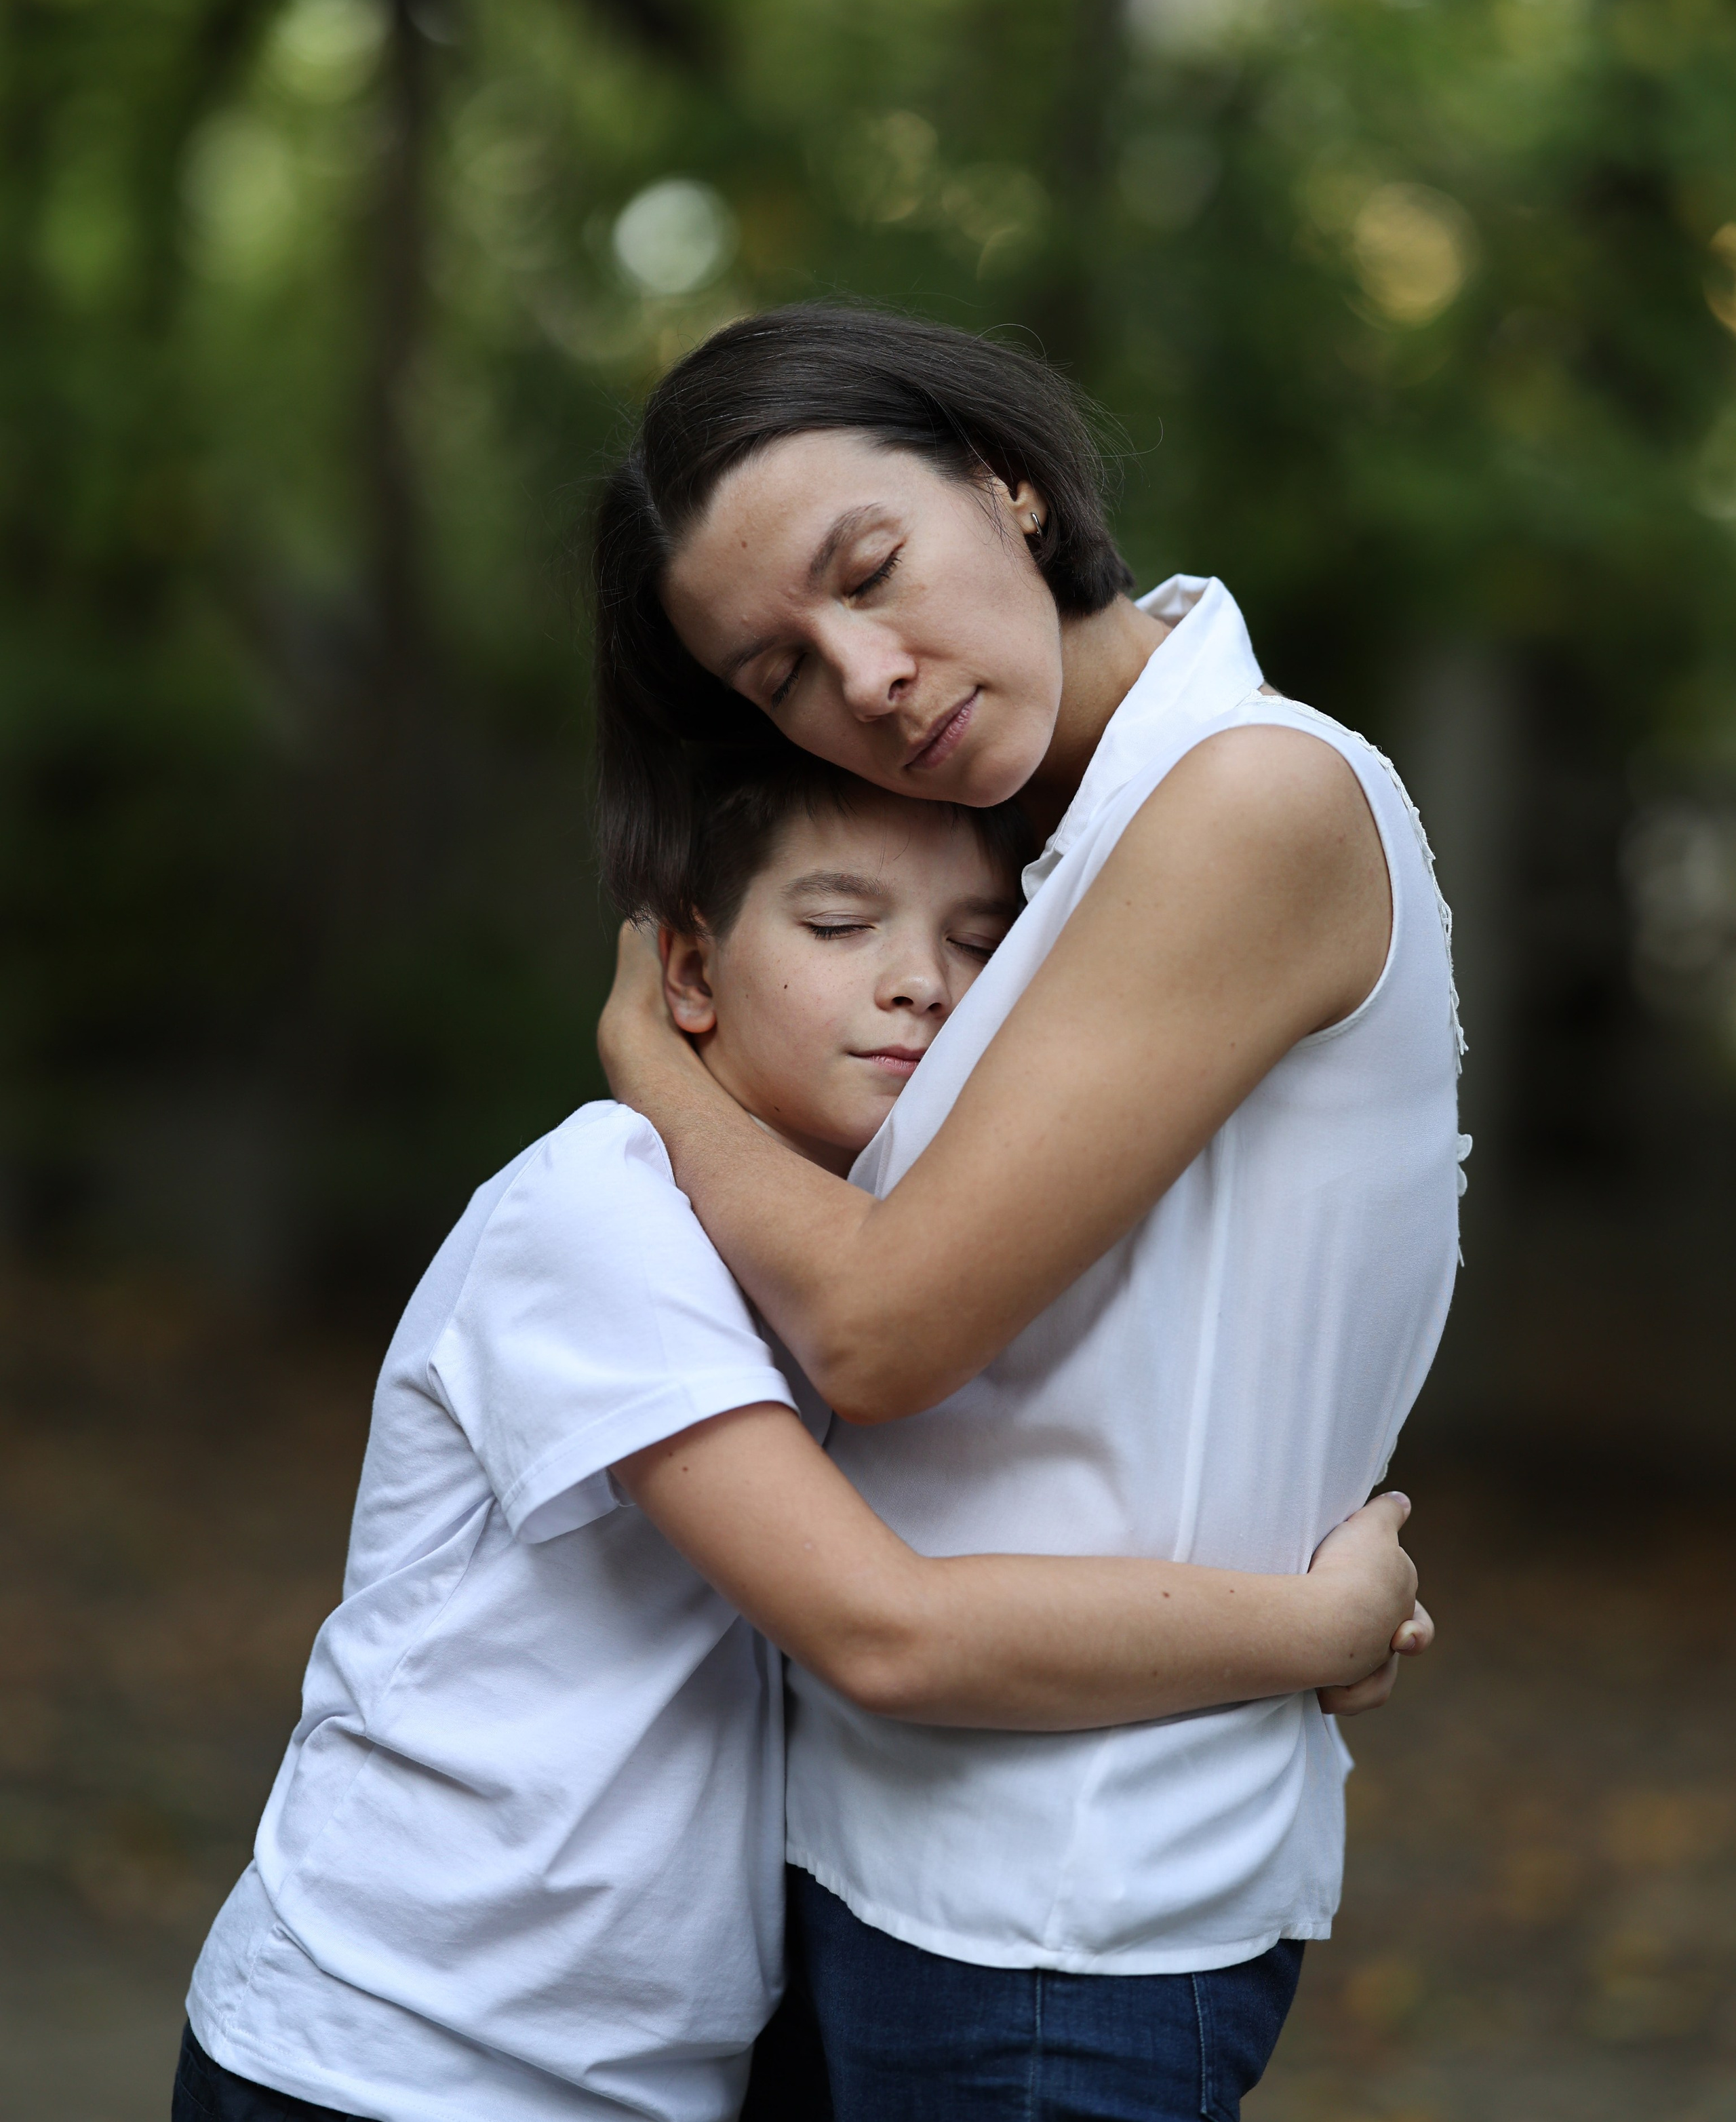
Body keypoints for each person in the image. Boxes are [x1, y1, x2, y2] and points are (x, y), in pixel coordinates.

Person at [175, 754, 1427, 2122]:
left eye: (979, 944)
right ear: (690, 973)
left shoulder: (886, 1269)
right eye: (840, 925)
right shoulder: (599, 1211)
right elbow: (885, 1630)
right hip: (390, 2049)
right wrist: (1317, 1625)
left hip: (638, 2080)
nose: (921, 982)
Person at [591, 303, 1467, 2119]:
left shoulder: (1250, 794)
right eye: (779, 672)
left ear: (1010, 484)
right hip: (848, 1848)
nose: (865, 676)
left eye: (871, 570)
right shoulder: (1002, 859)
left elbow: (879, 1329)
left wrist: (643, 1065)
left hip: (1068, 1910)